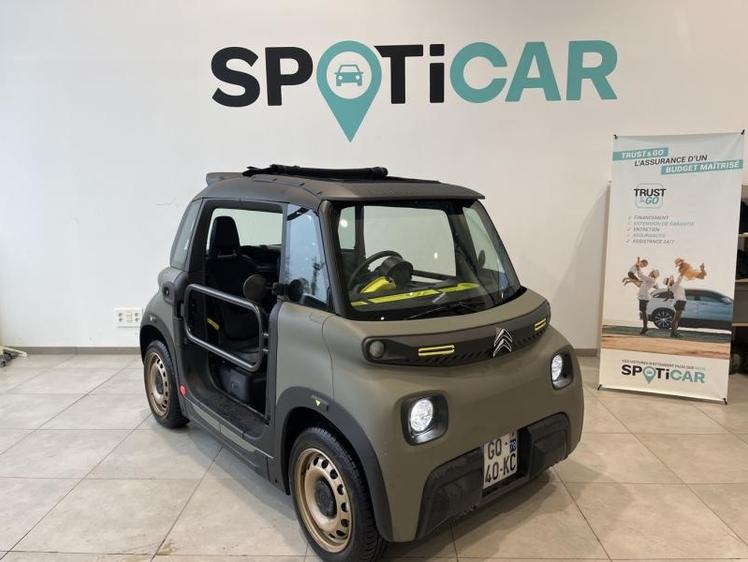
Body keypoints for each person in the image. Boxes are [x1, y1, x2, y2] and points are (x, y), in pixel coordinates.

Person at [635, 265, 659, 335]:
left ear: (653, 274)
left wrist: (638, 268)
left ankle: (645, 327)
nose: (650, 272)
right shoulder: (650, 279)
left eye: (652, 272)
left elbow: (640, 275)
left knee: (644, 311)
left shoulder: (651, 279)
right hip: (643, 297)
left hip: (644, 297)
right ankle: (645, 327)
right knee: (643, 311)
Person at [667, 273, 686, 338]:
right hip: (679, 302)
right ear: (670, 283)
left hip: (681, 302)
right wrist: (682, 273)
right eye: (671, 280)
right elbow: (679, 279)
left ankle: (674, 333)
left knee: (677, 319)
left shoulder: (674, 286)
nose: (672, 280)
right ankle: (673, 333)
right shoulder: (674, 286)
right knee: (676, 319)